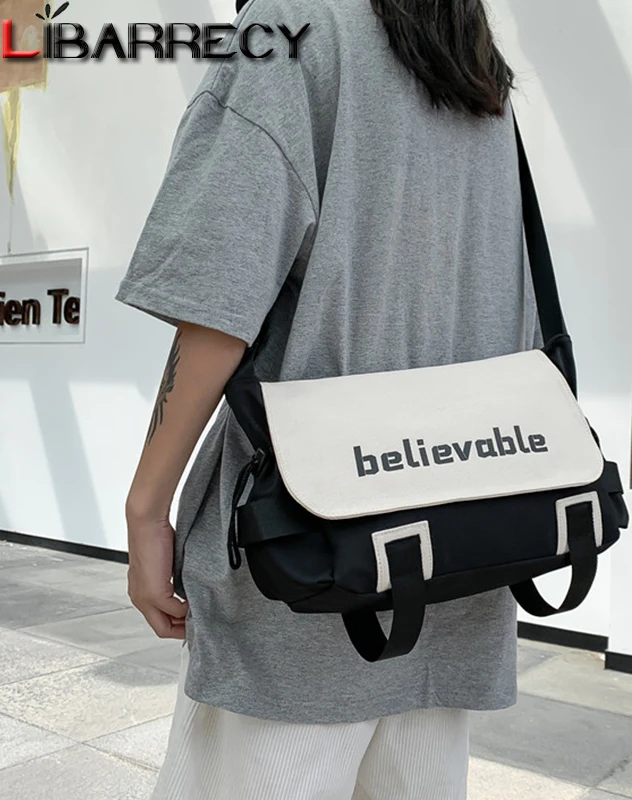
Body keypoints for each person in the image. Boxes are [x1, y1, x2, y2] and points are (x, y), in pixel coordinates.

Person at [116, 0, 542, 797]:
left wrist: (147, 508)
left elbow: (217, 305)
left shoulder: (291, 29)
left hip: (307, 560)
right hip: (457, 555)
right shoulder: (472, 63)